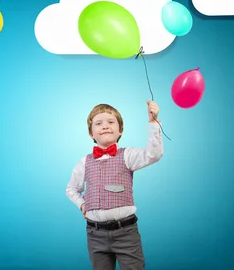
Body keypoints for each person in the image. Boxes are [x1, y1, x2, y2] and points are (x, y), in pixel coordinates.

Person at [65, 101, 164, 270]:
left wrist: (153, 123)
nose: (105, 126)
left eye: (111, 122)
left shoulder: (128, 155)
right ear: (91, 133)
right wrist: (82, 203)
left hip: (126, 232)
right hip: (95, 234)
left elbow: (153, 154)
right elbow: (71, 189)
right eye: (98, 123)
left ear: (120, 131)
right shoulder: (84, 162)